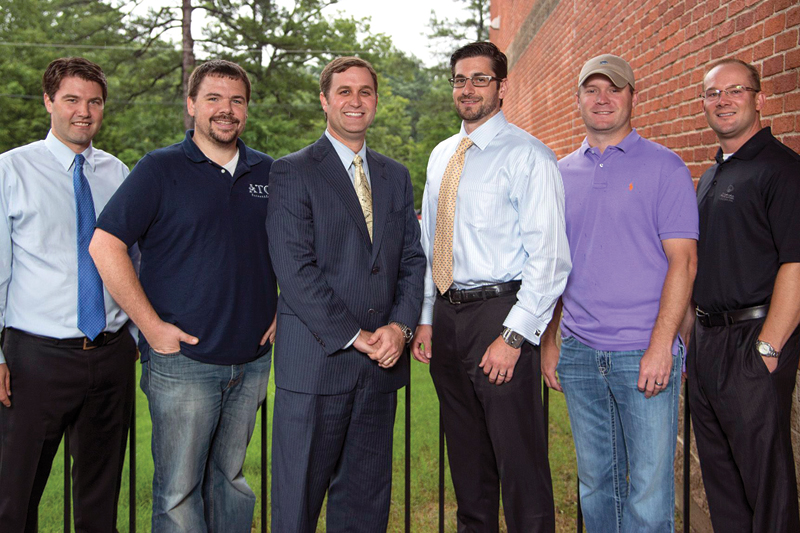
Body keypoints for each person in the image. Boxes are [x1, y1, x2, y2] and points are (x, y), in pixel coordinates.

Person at [88, 59, 277, 533]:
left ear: (246, 109)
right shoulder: (159, 168)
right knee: (178, 494)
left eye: (236, 100)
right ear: (192, 105)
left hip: (252, 361)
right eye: (213, 98)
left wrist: (284, 310)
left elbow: (293, 251)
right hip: (182, 364)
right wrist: (151, 328)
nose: (225, 109)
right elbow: (104, 245)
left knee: (231, 482)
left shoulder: (269, 172)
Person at [411, 41, 570, 532]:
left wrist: (514, 336)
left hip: (501, 315)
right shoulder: (442, 155)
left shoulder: (529, 157)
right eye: (460, 79)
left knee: (520, 463)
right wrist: (426, 318)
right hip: (448, 317)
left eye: (480, 79)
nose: (468, 88)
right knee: (466, 460)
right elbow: (429, 243)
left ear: (502, 87)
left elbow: (550, 259)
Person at [267, 56, 425, 533]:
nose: (356, 101)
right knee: (297, 507)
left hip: (379, 372)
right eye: (344, 91)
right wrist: (356, 336)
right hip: (316, 366)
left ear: (375, 101)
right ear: (324, 100)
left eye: (365, 91)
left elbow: (412, 260)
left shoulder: (395, 175)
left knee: (365, 508)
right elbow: (295, 270)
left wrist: (400, 327)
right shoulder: (292, 171)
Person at [541, 54, 698, 532]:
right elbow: (553, 266)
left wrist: (662, 346)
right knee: (595, 485)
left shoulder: (666, 167)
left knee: (648, 493)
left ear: (633, 96)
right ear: (578, 99)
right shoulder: (558, 174)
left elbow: (684, 262)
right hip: (580, 352)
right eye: (592, 89)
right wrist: (550, 340)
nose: (602, 98)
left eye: (614, 88)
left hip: (642, 352)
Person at [0, 57, 137, 533]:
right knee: (13, 500)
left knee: (100, 503)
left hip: (110, 355)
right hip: (35, 360)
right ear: (48, 102)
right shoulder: (11, 170)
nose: (84, 111)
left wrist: (133, 334)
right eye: (72, 100)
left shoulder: (117, 173)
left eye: (94, 102)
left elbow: (134, 260)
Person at [688, 58, 800, 532]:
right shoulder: (712, 175)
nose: (724, 101)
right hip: (708, 342)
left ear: (759, 98)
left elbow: (796, 264)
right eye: (713, 93)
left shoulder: (782, 169)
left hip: (754, 340)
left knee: (766, 488)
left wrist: (768, 349)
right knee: (723, 484)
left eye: (735, 90)